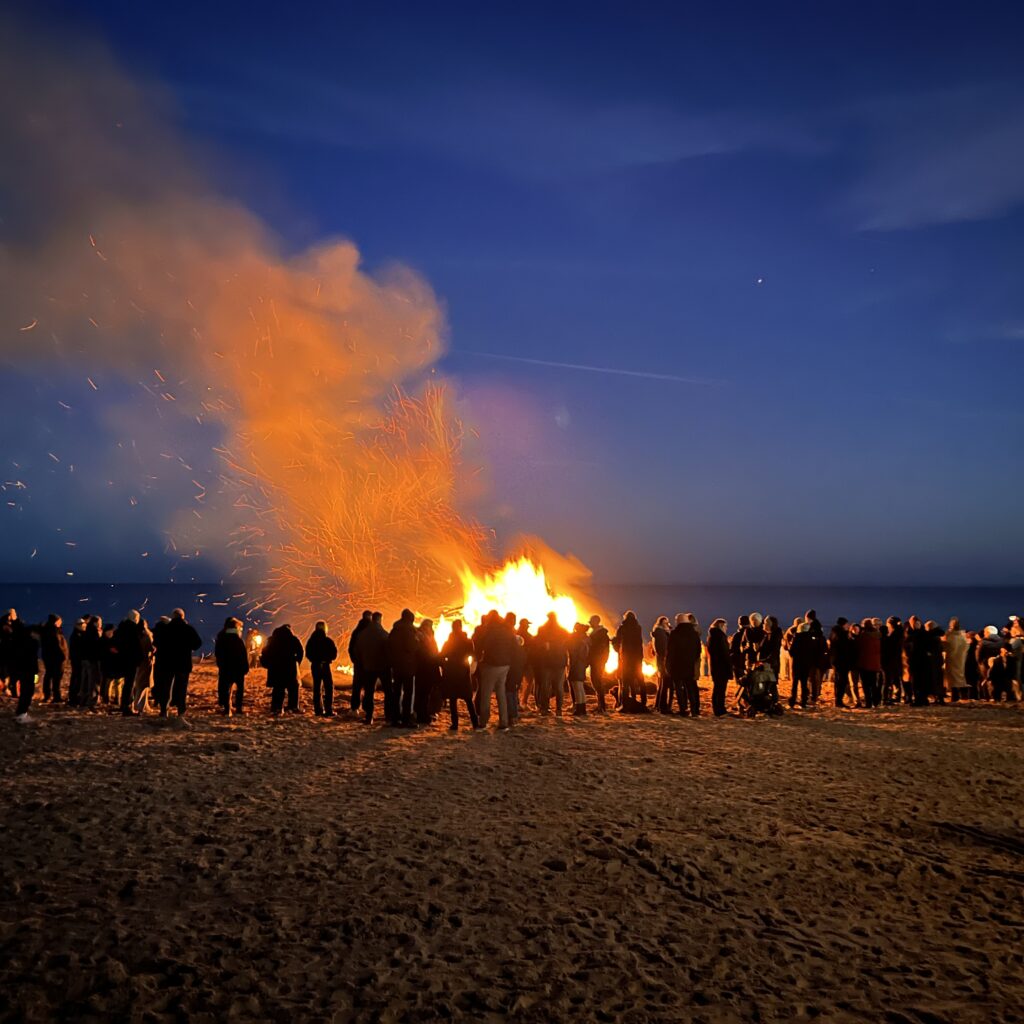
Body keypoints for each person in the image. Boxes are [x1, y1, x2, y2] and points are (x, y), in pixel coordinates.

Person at [153, 609, 202, 718]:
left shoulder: (166, 629)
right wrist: (189, 647)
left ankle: (164, 710)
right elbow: (197, 643)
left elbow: (157, 643)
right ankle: (181, 711)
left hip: (167, 663)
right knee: (182, 688)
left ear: (173, 617)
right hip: (183, 663)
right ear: (183, 617)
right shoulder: (188, 629)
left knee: (166, 687)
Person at [477, 610, 516, 728]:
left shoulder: (491, 630)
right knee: (501, 693)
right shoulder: (507, 630)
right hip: (505, 665)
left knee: (486, 694)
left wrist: (480, 658)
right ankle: (503, 721)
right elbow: (514, 646)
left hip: (491, 665)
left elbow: (484, 645)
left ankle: (483, 721)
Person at [440, 619, 479, 731]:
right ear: (461, 627)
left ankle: (455, 724)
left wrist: (444, 666)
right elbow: (473, 654)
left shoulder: (449, 642)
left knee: (453, 699)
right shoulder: (467, 641)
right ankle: (475, 722)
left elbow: (442, 655)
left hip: (451, 671)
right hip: (463, 671)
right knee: (468, 698)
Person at [353, 611, 389, 724]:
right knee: (388, 691)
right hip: (382, 667)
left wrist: (361, 662)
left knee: (369, 692)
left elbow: (356, 651)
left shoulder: (362, 634)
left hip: (368, 667)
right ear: (379, 620)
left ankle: (369, 717)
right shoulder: (384, 634)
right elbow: (389, 651)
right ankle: (389, 715)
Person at [261, 623, 304, 715]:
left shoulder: (271, 640)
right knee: (293, 689)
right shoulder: (293, 639)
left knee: (278, 689)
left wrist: (267, 664)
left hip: (276, 668)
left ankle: (277, 708)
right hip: (290, 668)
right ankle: (293, 707)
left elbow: (265, 653)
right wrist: (297, 662)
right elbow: (301, 652)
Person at [387, 609, 420, 727]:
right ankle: (406, 719)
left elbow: (389, 646)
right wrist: (418, 642)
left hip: (396, 667)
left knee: (396, 693)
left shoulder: (395, 630)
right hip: (407, 667)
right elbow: (411, 647)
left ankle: (395, 718)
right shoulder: (409, 630)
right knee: (408, 693)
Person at [667, 613, 701, 716]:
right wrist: (692, 660)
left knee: (679, 688)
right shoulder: (694, 634)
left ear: (678, 621)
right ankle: (694, 710)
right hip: (689, 665)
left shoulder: (674, 634)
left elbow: (670, 651)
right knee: (690, 688)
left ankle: (683, 709)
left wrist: (668, 665)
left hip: (676, 665)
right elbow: (698, 651)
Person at [535, 612, 569, 716]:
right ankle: (559, 709)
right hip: (559, 663)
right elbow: (568, 644)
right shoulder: (563, 631)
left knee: (546, 686)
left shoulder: (542, 629)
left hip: (546, 662)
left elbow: (538, 644)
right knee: (559, 687)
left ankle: (545, 708)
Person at [215, 617, 249, 715]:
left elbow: (218, 653)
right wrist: (245, 667)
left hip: (225, 668)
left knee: (225, 688)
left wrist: (220, 664)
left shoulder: (221, 638)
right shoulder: (238, 640)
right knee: (239, 689)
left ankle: (227, 708)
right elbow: (243, 655)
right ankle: (238, 708)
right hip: (238, 668)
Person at [305, 620, 339, 717]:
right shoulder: (327, 640)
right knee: (328, 687)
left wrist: (315, 660)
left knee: (317, 688)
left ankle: (318, 710)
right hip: (325, 666)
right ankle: (328, 710)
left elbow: (308, 653)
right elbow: (334, 653)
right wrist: (327, 659)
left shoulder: (311, 641)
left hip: (315, 665)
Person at [113, 611, 144, 716]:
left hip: (122, 659)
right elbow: (137, 645)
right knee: (129, 684)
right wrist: (141, 658)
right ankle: (126, 707)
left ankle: (124, 705)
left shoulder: (121, 629)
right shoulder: (133, 629)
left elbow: (115, 643)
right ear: (135, 618)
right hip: (131, 660)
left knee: (126, 684)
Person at [613, 611, 645, 708]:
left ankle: (624, 702)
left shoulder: (622, 628)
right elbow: (640, 643)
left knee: (626, 681)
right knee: (640, 680)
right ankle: (643, 701)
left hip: (625, 658)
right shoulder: (638, 628)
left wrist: (617, 648)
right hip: (637, 658)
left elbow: (617, 643)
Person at [413, 619, 441, 725]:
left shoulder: (421, 636)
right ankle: (422, 715)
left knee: (422, 693)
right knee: (424, 693)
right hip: (426, 669)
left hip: (422, 669)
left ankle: (422, 713)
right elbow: (431, 653)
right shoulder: (425, 637)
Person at [347, 610, 372, 714]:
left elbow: (350, 648)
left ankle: (354, 708)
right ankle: (367, 709)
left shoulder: (356, 631)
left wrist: (354, 659)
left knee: (356, 686)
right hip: (369, 663)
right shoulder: (371, 630)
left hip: (358, 663)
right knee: (368, 686)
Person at [39, 613, 68, 704]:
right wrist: (63, 656)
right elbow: (56, 645)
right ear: (55, 621)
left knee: (50, 676)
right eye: (59, 621)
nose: (61, 622)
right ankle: (55, 696)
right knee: (55, 678)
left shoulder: (50, 630)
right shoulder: (52, 631)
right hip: (55, 658)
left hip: (50, 657)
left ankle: (48, 695)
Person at [706, 619, 732, 717]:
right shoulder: (719, 637)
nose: (726, 628)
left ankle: (718, 708)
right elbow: (724, 653)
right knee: (720, 689)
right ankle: (719, 710)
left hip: (716, 666)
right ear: (721, 626)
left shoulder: (712, 636)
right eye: (725, 626)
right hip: (721, 667)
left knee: (718, 688)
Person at [78, 616, 104, 709]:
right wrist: (100, 637)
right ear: (95, 623)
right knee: (94, 681)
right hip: (93, 659)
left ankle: (83, 700)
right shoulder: (94, 632)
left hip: (85, 659)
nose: (101, 623)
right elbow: (97, 646)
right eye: (100, 622)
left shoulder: (86, 631)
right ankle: (92, 701)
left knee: (85, 680)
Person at [587, 615, 611, 712]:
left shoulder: (599, 634)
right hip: (597, 661)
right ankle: (601, 705)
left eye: (591, 622)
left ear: (595, 622)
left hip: (597, 661)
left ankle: (602, 706)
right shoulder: (599, 633)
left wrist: (600, 660)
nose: (590, 624)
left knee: (597, 681)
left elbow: (601, 649)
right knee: (596, 681)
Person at [856, 618, 882, 708]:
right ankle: (875, 702)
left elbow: (859, 648)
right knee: (874, 684)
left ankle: (868, 703)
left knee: (866, 685)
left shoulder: (863, 636)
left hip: (864, 663)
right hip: (875, 664)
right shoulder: (878, 635)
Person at [829, 618, 854, 708]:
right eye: (847, 624)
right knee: (842, 681)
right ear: (844, 624)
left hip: (835, 660)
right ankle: (839, 700)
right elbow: (845, 648)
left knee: (838, 680)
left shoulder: (833, 633)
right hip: (842, 660)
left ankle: (838, 699)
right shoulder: (843, 634)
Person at [788, 623, 814, 709]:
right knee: (804, 683)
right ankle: (803, 702)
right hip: (806, 664)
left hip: (797, 663)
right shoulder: (810, 638)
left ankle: (792, 701)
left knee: (795, 683)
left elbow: (791, 652)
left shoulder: (797, 637)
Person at [567, 622, 590, 716]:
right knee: (580, 687)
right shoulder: (586, 640)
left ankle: (579, 708)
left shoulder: (577, 641)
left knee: (576, 687)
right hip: (582, 665)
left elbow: (574, 653)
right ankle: (582, 708)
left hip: (576, 665)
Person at [943, 618, 969, 702]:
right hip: (960, 658)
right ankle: (963, 695)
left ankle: (955, 696)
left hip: (952, 658)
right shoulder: (962, 636)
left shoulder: (951, 636)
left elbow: (949, 647)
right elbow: (966, 646)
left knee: (953, 677)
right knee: (960, 676)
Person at [881, 617, 904, 705]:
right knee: (895, 679)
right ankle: (896, 696)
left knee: (889, 680)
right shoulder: (899, 632)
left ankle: (887, 698)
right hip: (895, 659)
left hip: (891, 660)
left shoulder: (894, 634)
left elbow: (890, 648)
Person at [651, 616, 672, 714]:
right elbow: (663, 649)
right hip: (664, 662)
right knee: (664, 683)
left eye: (667, 622)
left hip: (662, 661)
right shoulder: (660, 633)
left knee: (662, 683)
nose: (666, 624)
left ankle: (659, 705)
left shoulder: (660, 633)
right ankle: (662, 706)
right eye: (664, 623)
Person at [758, 616, 782, 682]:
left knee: (771, 684)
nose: (763, 624)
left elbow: (774, 650)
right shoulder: (767, 634)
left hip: (771, 665)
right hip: (766, 664)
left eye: (765, 623)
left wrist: (767, 660)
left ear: (770, 624)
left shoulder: (775, 635)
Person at [730, 615, 749, 684]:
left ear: (739, 624)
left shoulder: (737, 635)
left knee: (740, 682)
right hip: (750, 661)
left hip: (738, 662)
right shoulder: (752, 633)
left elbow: (732, 649)